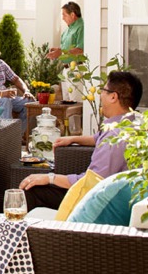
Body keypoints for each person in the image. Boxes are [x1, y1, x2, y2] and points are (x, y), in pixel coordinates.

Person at [19, 71, 143, 210]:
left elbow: (92, 183)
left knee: (29, 191)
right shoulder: (132, 123)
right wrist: (73, 138)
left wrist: (50, 178)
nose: (100, 95)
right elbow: (97, 138)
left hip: (99, 203)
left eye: (103, 90)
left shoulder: (114, 138)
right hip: (113, 195)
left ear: (113, 97)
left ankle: (28, 231)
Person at [0, 38, 34, 134]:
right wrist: (0, 93)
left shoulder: (0, 63)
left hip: (7, 96)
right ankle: (5, 135)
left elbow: (15, 79)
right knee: (4, 100)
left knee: (30, 102)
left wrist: (26, 91)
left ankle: (16, 136)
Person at [46, 1, 84, 101]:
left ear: (72, 15)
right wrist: (58, 50)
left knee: (75, 105)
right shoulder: (67, 30)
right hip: (66, 70)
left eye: (64, 15)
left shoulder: (81, 27)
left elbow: (81, 49)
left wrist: (61, 53)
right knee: (67, 105)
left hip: (76, 69)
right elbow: (67, 50)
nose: (62, 18)